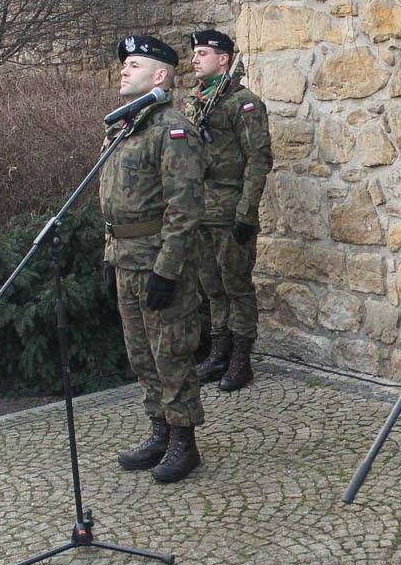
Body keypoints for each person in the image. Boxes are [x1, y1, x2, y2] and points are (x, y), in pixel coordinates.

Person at [100, 35, 206, 483]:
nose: (124, 69)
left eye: (136, 64)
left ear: (160, 76)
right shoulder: (125, 127)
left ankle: (185, 442)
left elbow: (185, 208)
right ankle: (159, 430)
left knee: (171, 353)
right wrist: (110, 258)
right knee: (141, 354)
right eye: (125, 64)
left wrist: (167, 269)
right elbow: (114, 201)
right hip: (125, 259)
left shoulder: (171, 129)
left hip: (160, 263)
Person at [186, 29, 273, 391]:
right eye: (194, 53)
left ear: (224, 58)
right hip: (201, 210)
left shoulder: (243, 103)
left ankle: (241, 358)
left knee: (236, 285)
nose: (194, 59)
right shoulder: (198, 101)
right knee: (211, 285)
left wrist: (246, 212)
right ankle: (219, 351)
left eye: (203, 53)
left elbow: (258, 159)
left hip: (230, 210)